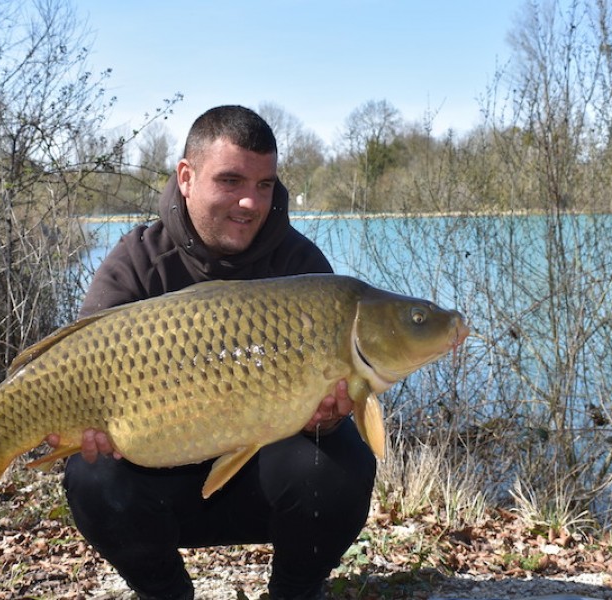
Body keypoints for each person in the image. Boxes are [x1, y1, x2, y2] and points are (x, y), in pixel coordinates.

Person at [49, 105, 376, 600]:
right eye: (230, 180)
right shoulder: (137, 263)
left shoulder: (302, 267)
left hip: (261, 487)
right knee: (92, 475)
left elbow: (325, 419)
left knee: (344, 459)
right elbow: (75, 368)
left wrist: (326, 418)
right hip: (162, 486)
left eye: (264, 185)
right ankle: (165, 593)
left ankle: (297, 590)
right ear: (186, 176)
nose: (250, 202)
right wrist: (81, 430)